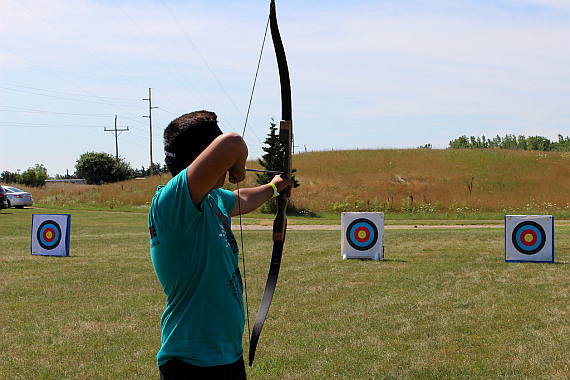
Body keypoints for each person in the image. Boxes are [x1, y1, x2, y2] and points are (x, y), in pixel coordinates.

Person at [148, 110, 293, 379]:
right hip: (190, 361)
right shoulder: (172, 203)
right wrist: (238, 169)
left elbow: (242, 199)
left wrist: (274, 187)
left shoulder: (212, 199)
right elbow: (233, 143)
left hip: (227, 354)